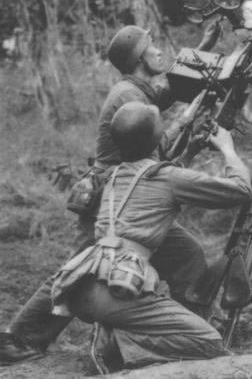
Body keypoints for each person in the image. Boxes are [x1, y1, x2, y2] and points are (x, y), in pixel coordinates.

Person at [0, 23, 220, 366]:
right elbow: (158, 144)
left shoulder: (136, 87)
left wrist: (203, 47)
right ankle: (20, 339)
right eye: (153, 47)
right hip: (112, 198)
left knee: (186, 253)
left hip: (131, 190)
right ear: (139, 58)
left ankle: (186, 328)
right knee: (76, 270)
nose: (160, 50)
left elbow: (168, 91)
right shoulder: (127, 96)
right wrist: (186, 122)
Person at [50, 101, 252, 373]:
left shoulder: (115, 175)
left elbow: (155, 181)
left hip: (82, 286)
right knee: (208, 341)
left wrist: (190, 150)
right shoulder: (167, 178)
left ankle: (112, 330)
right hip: (118, 291)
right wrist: (228, 149)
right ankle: (116, 343)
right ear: (157, 139)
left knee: (186, 252)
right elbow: (241, 190)